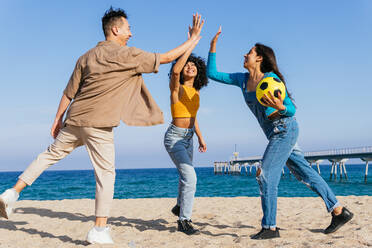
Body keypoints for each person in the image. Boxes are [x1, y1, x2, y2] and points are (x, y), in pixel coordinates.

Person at [0, 7, 204, 244]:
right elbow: (167, 58)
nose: (131, 33)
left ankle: (12, 192)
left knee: (49, 155)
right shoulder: (128, 55)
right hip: (99, 124)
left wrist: (57, 119)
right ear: (116, 29)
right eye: (128, 29)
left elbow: (68, 93)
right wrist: (192, 39)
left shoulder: (85, 57)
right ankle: (99, 229)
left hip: (75, 118)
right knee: (106, 175)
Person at [207, 27, 353, 240]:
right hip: (276, 134)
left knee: (265, 174)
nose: (245, 55)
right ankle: (339, 211)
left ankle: (270, 227)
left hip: (285, 129)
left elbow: (292, 109)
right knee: (306, 173)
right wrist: (213, 45)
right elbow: (212, 74)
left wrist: (281, 106)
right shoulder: (241, 79)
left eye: (249, 52)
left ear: (259, 58)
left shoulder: (272, 79)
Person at [163, 14, 208, 235]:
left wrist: (200, 136)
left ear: (199, 71)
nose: (190, 66)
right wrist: (190, 43)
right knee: (190, 177)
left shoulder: (196, 92)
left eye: (194, 65)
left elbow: (193, 116)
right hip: (175, 137)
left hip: (189, 137)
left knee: (185, 175)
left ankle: (180, 205)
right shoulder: (176, 88)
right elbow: (176, 71)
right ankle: (184, 220)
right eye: (187, 64)